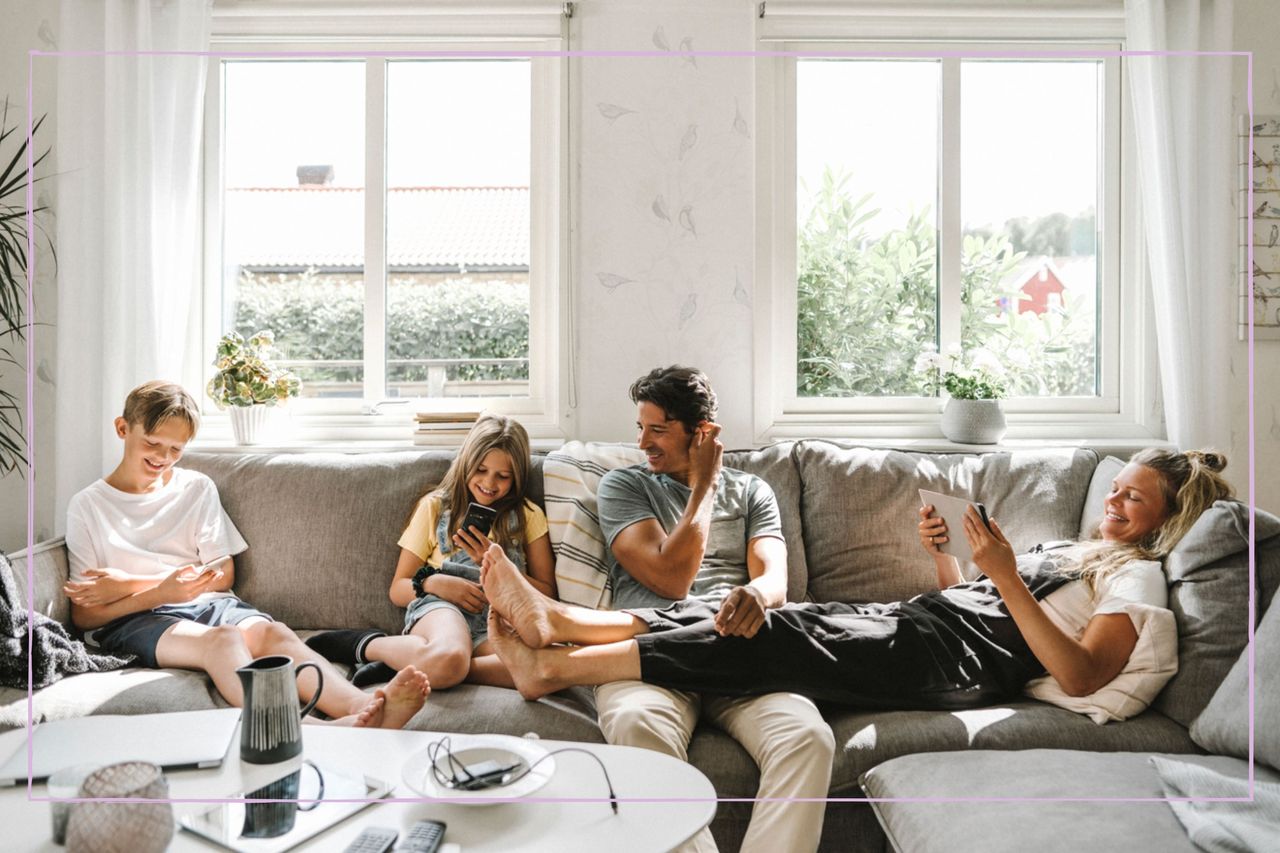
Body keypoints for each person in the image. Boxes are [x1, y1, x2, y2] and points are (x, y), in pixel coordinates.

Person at [479, 448, 1232, 713]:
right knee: (741, 616)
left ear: (1166, 520)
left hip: (946, 663)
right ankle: (559, 632)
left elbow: (1079, 672)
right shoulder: (1083, 550)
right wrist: (952, 561)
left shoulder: (1137, 580)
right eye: (1116, 487)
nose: (1114, 501)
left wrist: (1001, 573)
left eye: (1133, 497)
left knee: (758, 633)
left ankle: (554, 654)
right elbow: (986, 602)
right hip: (928, 625)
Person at [541, 366, 834, 853]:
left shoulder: (754, 491)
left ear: (702, 434)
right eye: (641, 427)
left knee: (808, 738)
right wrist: (705, 485)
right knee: (636, 723)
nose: (643, 442)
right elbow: (670, 579)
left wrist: (757, 596)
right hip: (652, 654)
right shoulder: (624, 486)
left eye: (657, 430)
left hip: (734, 647)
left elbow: (774, 579)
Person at [63, 381, 430, 729]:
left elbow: (222, 574)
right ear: (122, 428)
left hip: (209, 602)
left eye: (176, 450)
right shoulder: (88, 506)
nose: (163, 458)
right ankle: (307, 728)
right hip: (136, 621)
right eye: (153, 443)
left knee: (275, 634)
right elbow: (85, 615)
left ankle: (363, 710)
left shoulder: (195, 487)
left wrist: (136, 583)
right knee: (224, 640)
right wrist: (160, 594)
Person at [306, 413, 555, 690]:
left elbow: (547, 593)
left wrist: (498, 568)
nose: (490, 483)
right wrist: (435, 582)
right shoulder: (435, 508)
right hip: (442, 607)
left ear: (516, 477)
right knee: (450, 659)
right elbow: (398, 588)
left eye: (503, 476)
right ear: (466, 464)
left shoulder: (528, 516)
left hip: (498, 619)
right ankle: (370, 645)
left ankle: (410, 661)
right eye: (481, 470)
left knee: (543, 668)